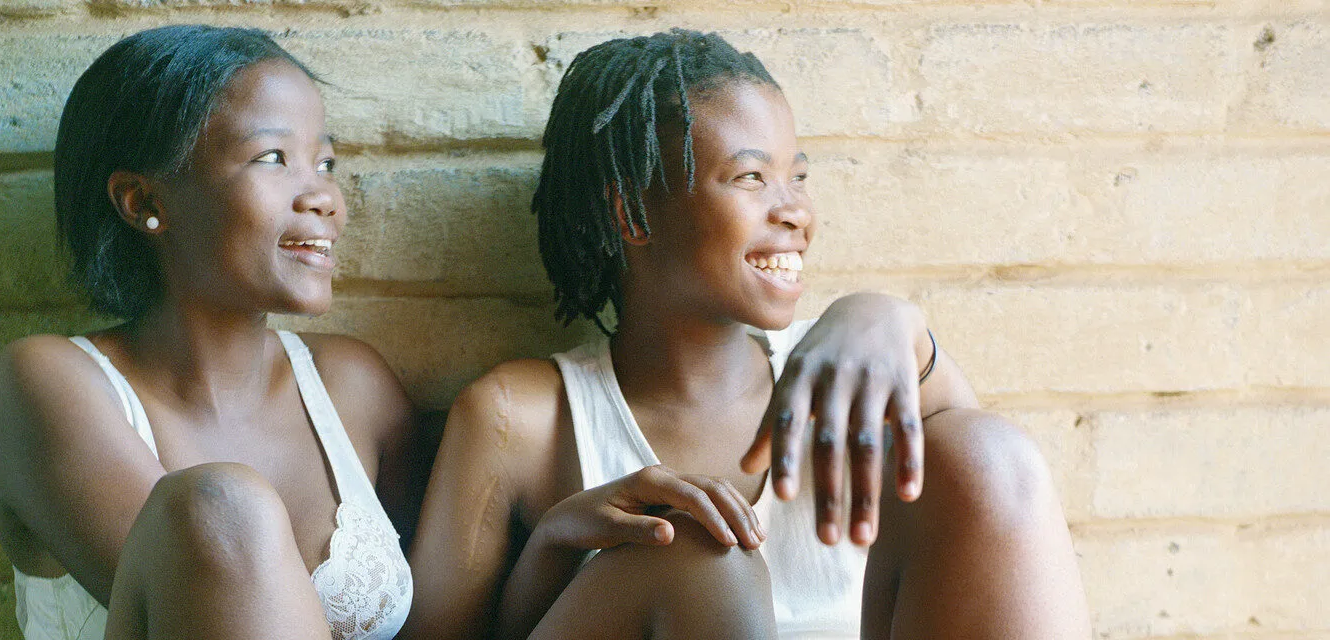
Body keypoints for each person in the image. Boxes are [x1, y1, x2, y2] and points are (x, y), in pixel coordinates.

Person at [408, 29, 1092, 638]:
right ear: (632, 216)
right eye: (750, 177)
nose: (793, 209)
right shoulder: (519, 416)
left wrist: (889, 318)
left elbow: (992, 521)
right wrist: (556, 540)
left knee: (985, 448)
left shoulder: (855, 372)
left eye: (797, 177)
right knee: (701, 555)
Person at [0, 25, 418, 640]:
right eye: (273, 158)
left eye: (324, 162)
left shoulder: (353, 386)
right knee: (222, 506)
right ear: (141, 201)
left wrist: (554, 545)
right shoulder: (48, 384)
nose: (323, 194)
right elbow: (210, 588)